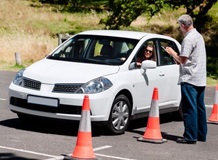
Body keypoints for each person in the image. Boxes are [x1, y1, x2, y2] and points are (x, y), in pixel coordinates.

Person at [165, 14, 207, 144]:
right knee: (200, 107)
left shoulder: (188, 39)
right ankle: (201, 134)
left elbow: (183, 59)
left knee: (189, 108)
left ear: (183, 25)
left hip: (189, 77)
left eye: (180, 26)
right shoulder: (198, 36)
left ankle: (190, 136)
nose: (179, 28)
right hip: (200, 76)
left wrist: (172, 53)